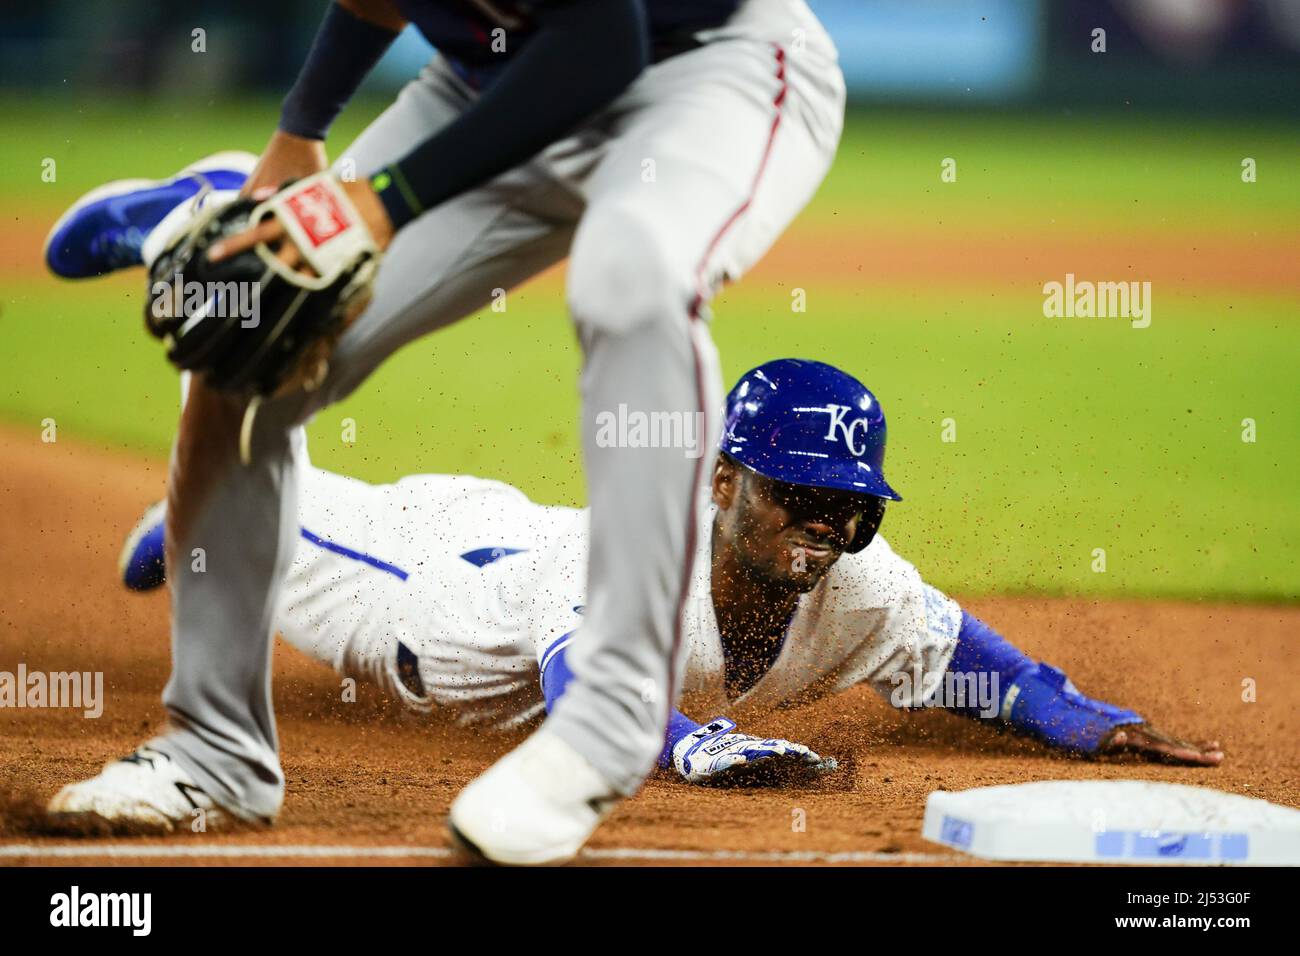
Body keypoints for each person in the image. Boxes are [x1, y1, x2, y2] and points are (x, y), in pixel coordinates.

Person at [43, 0, 849, 864]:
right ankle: (213, 754)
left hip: (703, 70)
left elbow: (601, 43)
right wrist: (301, 130)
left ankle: (610, 714)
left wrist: (385, 199)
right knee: (255, 338)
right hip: (486, 80)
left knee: (634, 270)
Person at [103, 359, 1225, 814]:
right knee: (270, 505)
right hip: (427, 602)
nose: (827, 524)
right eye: (799, 493)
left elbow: (967, 658)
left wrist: (1088, 722)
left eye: (851, 503)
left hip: (520, 535)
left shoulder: (857, 579)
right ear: (725, 481)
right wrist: (687, 741)